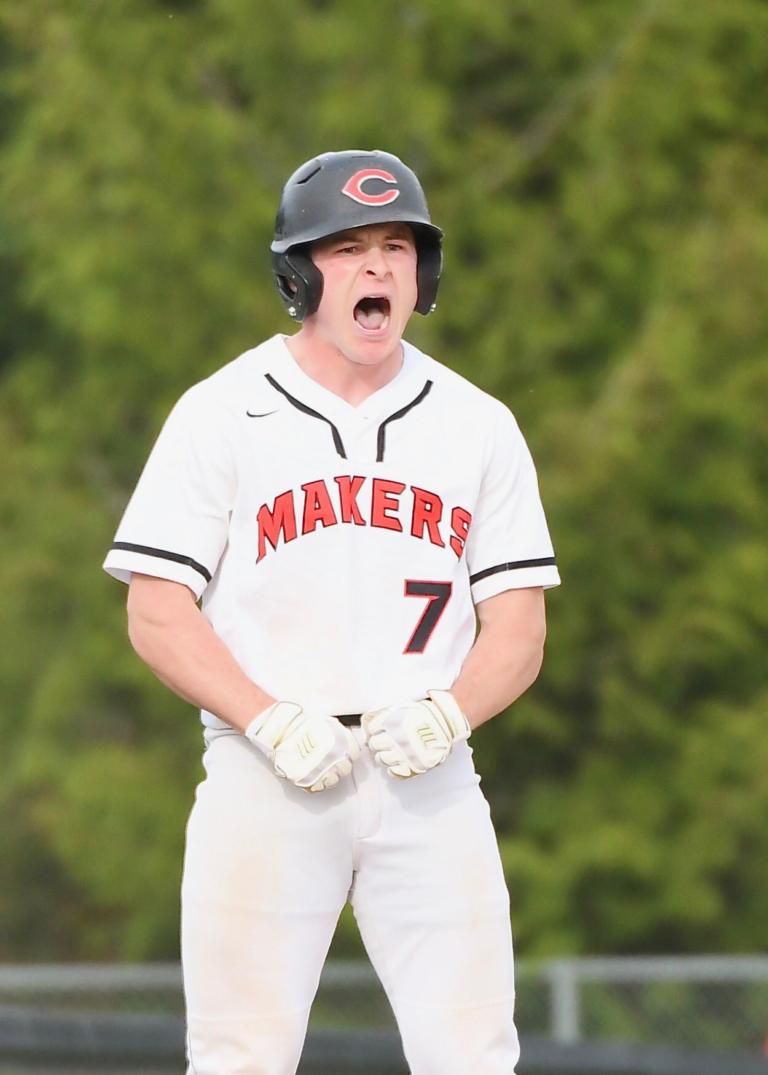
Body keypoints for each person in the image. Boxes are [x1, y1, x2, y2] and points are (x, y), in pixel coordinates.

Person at [104, 149, 560, 1075]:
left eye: (398, 246)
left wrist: (451, 712)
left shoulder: (477, 423)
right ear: (299, 273)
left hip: (429, 776)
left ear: (422, 274)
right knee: (239, 1059)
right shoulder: (221, 413)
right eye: (346, 247)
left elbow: (520, 625)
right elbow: (157, 611)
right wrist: (266, 718)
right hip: (266, 776)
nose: (377, 268)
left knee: (474, 1057)